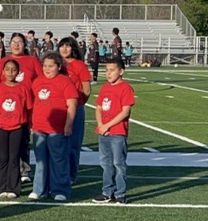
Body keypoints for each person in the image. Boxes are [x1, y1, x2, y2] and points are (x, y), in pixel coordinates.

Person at [0, 33, 44, 183]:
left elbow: (40, 81)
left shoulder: (32, 61)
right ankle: (7, 175)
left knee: (23, 140)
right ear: (9, 44)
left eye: (20, 42)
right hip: (8, 108)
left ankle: (24, 170)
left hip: (26, 105)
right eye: (14, 42)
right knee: (7, 147)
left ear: (25, 44)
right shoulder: (3, 61)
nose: (16, 45)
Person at [29, 52, 78, 201]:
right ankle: (39, 189)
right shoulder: (37, 82)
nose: (47, 69)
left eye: (51, 66)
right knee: (40, 160)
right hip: (39, 128)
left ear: (58, 66)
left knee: (58, 160)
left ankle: (59, 190)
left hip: (57, 129)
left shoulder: (64, 81)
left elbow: (72, 104)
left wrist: (68, 125)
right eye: (45, 66)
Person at [92, 58, 135, 204]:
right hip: (104, 132)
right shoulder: (104, 87)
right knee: (105, 163)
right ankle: (107, 191)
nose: (108, 73)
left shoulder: (125, 88)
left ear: (121, 71)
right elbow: (98, 108)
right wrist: (100, 125)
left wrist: (108, 125)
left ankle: (120, 193)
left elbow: (125, 112)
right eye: (106, 70)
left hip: (117, 132)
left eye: (112, 70)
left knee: (118, 163)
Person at [0, 59, 33, 198]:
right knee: (4, 158)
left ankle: (13, 188)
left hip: (18, 127)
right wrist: (4, 117)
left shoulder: (23, 88)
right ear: (3, 71)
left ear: (18, 72)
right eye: (7, 69)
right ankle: (2, 187)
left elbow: (28, 108)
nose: (10, 72)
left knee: (14, 158)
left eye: (13, 70)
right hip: (1, 127)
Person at [58, 37, 92, 184]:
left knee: (73, 144)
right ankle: (58, 172)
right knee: (57, 143)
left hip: (75, 108)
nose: (64, 49)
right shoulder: (56, 64)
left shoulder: (79, 65)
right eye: (62, 46)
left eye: (68, 46)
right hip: (58, 108)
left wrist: (78, 103)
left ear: (73, 48)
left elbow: (87, 90)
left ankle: (71, 175)